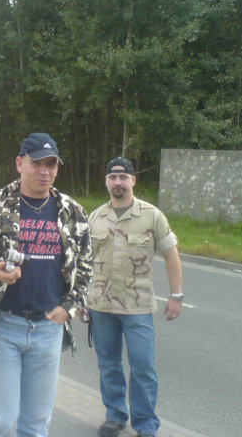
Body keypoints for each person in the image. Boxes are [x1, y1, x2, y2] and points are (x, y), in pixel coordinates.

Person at [0, 132, 92, 437]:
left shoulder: (71, 211)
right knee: (0, 422)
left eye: (51, 165)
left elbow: (85, 267)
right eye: (37, 163)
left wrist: (68, 308)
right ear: (20, 163)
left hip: (48, 328)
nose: (44, 171)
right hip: (3, 326)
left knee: (36, 425)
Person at [84, 157, 183, 437]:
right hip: (101, 305)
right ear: (106, 181)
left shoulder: (152, 216)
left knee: (143, 366)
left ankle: (146, 423)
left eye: (123, 177)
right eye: (113, 177)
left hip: (137, 307)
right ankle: (115, 416)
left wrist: (176, 295)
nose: (118, 182)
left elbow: (171, 256)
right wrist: (82, 299)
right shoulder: (95, 217)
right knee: (108, 365)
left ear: (133, 180)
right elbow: (84, 262)